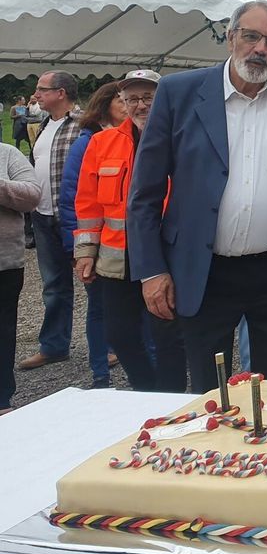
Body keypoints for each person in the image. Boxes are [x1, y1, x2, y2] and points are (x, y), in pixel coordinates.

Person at [128, 0, 267, 392]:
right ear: (230, 38)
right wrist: (151, 270)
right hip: (203, 268)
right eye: (251, 36)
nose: (261, 49)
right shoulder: (179, 92)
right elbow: (145, 192)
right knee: (211, 387)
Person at [75, 70, 189, 391]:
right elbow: (88, 203)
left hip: (163, 258)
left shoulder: (181, 139)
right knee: (119, 336)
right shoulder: (102, 143)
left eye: (148, 97)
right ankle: (146, 389)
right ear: (122, 103)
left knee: (167, 335)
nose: (140, 105)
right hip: (116, 262)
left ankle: (170, 399)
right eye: (132, 99)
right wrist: (85, 252)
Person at [18, 72, 97, 373]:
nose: (35, 94)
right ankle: (54, 347)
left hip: (76, 220)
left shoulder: (85, 124)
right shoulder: (42, 126)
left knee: (94, 284)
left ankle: (110, 345)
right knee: (53, 286)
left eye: (41, 89)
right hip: (44, 216)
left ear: (61, 93)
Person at [58, 80, 125, 388]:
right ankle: (100, 374)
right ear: (106, 105)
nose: (130, 106)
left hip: (122, 252)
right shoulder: (90, 143)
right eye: (122, 101)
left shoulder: (135, 139)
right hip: (101, 251)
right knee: (99, 310)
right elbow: (75, 198)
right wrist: (82, 250)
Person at [0, 142, 40, 414]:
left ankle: (2, 398)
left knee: (3, 331)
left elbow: (33, 195)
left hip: (5, 264)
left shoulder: (7, 154)